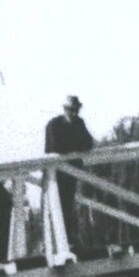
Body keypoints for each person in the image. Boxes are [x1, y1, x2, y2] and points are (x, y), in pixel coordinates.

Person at [43, 94, 94, 249]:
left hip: (70, 171)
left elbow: (88, 143)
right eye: (71, 110)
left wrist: (71, 148)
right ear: (65, 109)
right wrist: (74, 146)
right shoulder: (54, 124)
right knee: (54, 206)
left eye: (76, 110)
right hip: (55, 173)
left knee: (68, 205)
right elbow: (55, 146)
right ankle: (51, 243)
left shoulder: (79, 123)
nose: (73, 113)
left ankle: (68, 240)